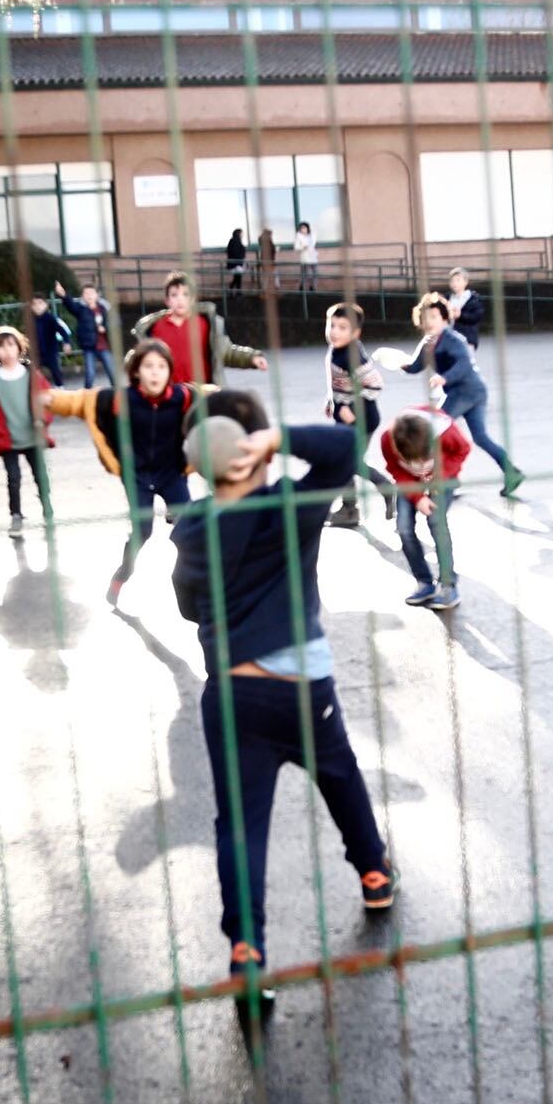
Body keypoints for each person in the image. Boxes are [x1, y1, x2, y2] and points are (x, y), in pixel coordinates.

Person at [171, 389, 397, 1011]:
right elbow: (346, 450)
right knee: (340, 773)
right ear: (258, 450)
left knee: (240, 827)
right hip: (302, 686)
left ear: (193, 464)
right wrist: (280, 439)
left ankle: (247, 950)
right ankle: (373, 872)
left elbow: (188, 604)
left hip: (233, 692)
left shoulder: (191, 528)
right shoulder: (290, 505)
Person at [47, 339, 202, 607]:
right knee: (143, 532)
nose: (155, 372)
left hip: (170, 473)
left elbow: (215, 396)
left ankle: (197, 584)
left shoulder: (182, 397)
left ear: (170, 371)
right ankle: (121, 576)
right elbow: (81, 400)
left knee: (190, 527)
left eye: (162, 366)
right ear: (136, 371)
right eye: (149, 366)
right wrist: (49, 399)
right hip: (138, 476)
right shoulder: (121, 399)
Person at [402, 292, 523, 498]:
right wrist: (399, 363)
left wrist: (445, 378)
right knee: (480, 437)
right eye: (425, 318)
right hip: (472, 391)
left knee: (434, 431)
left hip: (466, 391)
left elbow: (463, 364)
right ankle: (511, 472)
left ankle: (447, 480)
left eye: (433, 317)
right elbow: (415, 366)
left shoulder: (453, 339)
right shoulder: (428, 342)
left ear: (444, 318)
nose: (429, 322)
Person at [0, 324, 55, 536]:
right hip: (7, 439)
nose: (7, 350)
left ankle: (48, 511)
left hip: (32, 436)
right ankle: (16, 515)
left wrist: (43, 420)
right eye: (2, 346)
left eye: (11, 345)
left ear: (19, 347)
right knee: (13, 478)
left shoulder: (31, 374)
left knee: (40, 476)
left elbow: (48, 400)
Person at [382, 405, 469, 610]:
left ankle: (448, 584)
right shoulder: (388, 439)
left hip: (442, 477)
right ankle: (424, 582)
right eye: (412, 459)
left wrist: (440, 478)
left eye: (423, 457)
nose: (419, 463)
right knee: (404, 528)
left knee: (436, 522)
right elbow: (395, 469)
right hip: (410, 482)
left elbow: (462, 450)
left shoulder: (444, 430)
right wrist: (418, 496)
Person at [322, 300, 398, 527]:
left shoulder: (353, 355)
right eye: (332, 325)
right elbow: (339, 381)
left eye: (342, 327)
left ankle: (358, 504)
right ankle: (351, 508)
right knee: (346, 462)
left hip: (361, 420)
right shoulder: (337, 349)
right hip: (344, 418)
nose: (334, 331)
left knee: (345, 463)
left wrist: (349, 408)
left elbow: (375, 385)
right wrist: (332, 401)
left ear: (355, 333)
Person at [131, 270, 270, 388]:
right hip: (170, 396)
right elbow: (140, 360)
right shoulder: (156, 328)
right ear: (167, 301)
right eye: (174, 295)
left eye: (185, 294)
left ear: (193, 299)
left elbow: (226, 351)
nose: (180, 299)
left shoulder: (205, 324)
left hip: (203, 393)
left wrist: (252, 357)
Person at [54, 279, 118, 389]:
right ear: (82, 296)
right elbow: (70, 305)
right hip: (89, 346)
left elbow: (113, 324)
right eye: (86, 293)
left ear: (97, 295)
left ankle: (117, 394)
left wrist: (105, 328)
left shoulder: (103, 309)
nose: (89, 296)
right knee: (90, 374)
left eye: (91, 293)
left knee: (112, 372)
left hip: (103, 345)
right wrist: (63, 295)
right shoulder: (81, 309)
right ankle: (86, 394)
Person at [28, 293, 74, 385]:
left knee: (56, 371)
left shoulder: (51, 318)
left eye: (40, 303)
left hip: (51, 352)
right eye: (34, 304)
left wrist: (67, 343)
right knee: (33, 374)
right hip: (37, 353)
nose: (37, 306)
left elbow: (63, 331)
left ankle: (60, 388)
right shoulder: (30, 320)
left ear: (46, 305)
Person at [445, 267, 486, 351]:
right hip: (450, 338)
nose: (454, 283)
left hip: (467, 338)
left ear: (466, 282)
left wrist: (461, 315)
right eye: (452, 281)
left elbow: (476, 316)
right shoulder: (447, 298)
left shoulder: (474, 299)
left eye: (458, 280)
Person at [293, 221, 319, 289]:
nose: (303, 229)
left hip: (313, 257)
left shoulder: (312, 235)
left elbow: (313, 243)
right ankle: (302, 288)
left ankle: (313, 287)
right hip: (304, 257)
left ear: (307, 228)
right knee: (304, 274)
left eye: (304, 228)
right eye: (301, 228)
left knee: (315, 273)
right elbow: (296, 247)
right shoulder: (298, 236)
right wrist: (303, 247)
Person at [223, 228, 247, 294]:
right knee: (238, 277)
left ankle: (234, 289)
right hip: (236, 263)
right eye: (241, 233)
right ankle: (238, 291)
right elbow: (235, 253)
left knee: (237, 277)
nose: (242, 235)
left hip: (236, 263)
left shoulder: (234, 241)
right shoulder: (234, 241)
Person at [257, 228, 278, 294]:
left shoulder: (265, 242)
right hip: (268, 261)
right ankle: (267, 290)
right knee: (270, 276)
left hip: (267, 261)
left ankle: (267, 290)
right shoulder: (267, 242)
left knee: (268, 276)